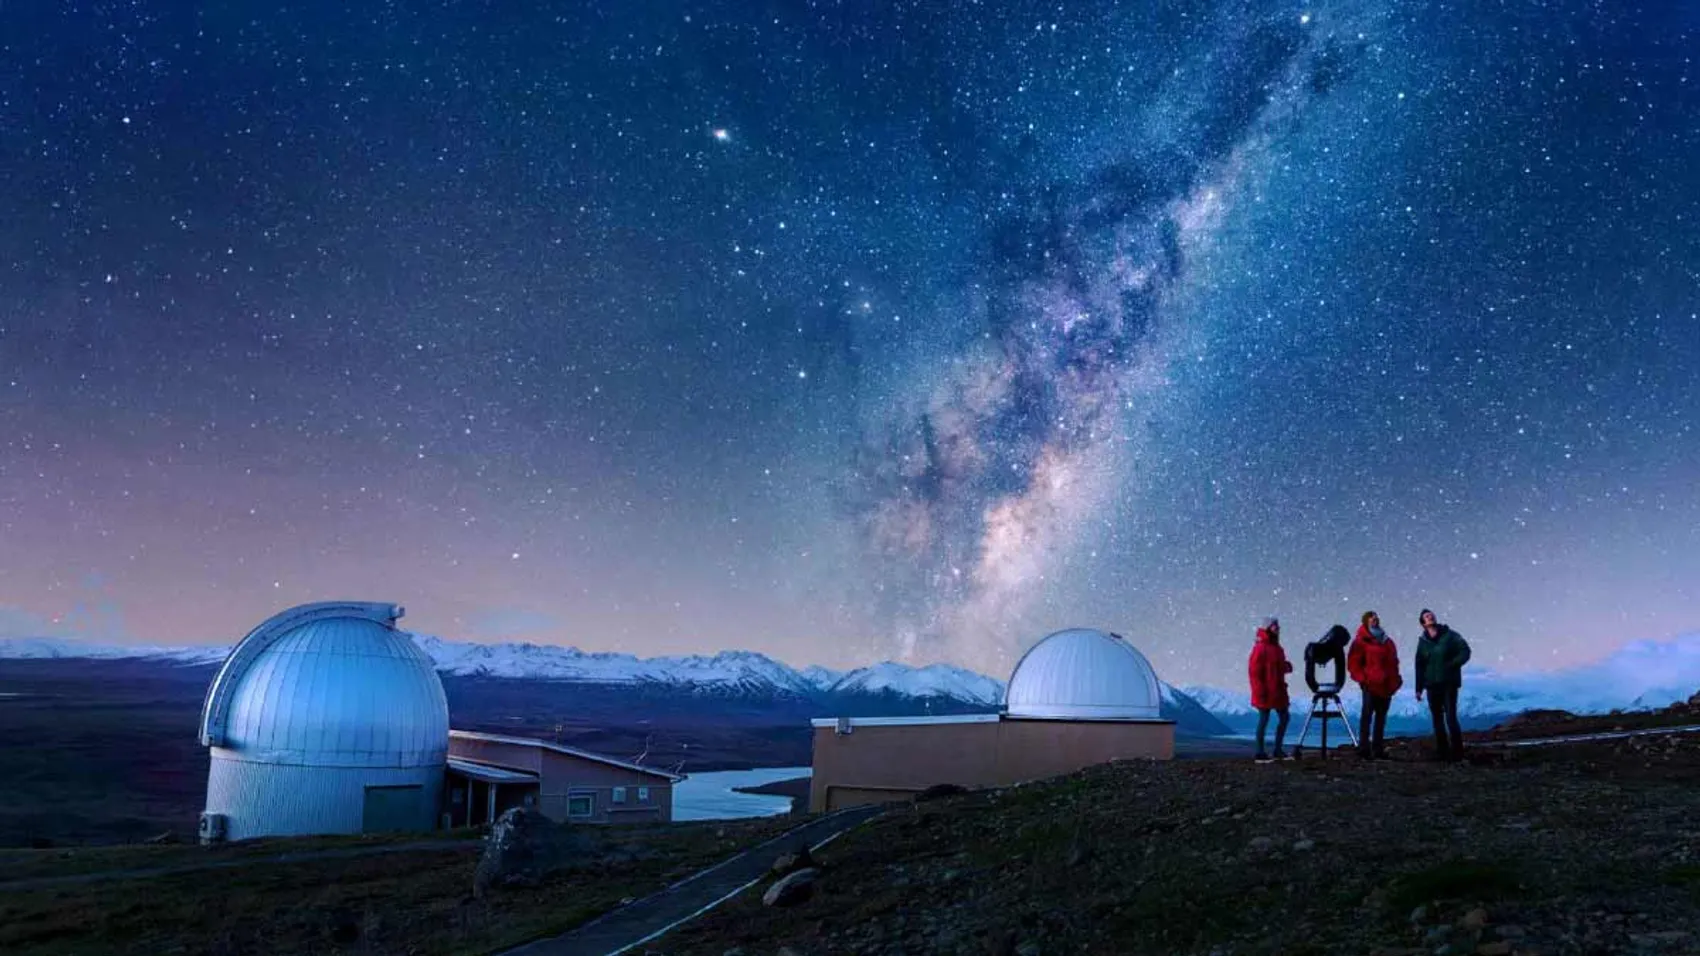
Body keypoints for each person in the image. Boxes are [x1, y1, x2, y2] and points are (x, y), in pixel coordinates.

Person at [1414, 608, 1471, 761]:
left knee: (1451, 717)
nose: (1430, 616)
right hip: (1432, 684)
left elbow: (1465, 651)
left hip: (1449, 683)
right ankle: (1443, 752)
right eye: (1426, 616)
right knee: (1437, 719)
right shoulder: (1423, 643)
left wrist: (1453, 664)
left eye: (1431, 614)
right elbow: (1419, 665)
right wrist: (1419, 688)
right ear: (1423, 623)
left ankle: (1458, 752)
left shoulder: (1450, 635)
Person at [1347, 610, 1402, 759]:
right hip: (1370, 685)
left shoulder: (1387, 642)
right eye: (1371, 618)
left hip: (1386, 686)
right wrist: (1363, 679)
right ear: (1366, 621)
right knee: (1367, 717)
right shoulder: (1360, 642)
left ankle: (1378, 749)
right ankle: (1364, 749)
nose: (1375, 619)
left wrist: (1396, 681)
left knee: (1381, 719)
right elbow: (1353, 663)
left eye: (1376, 617)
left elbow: (1393, 663)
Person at [1247, 616, 1293, 762]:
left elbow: (1275, 667)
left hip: (1278, 691)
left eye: (1278, 626)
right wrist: (1259, 691)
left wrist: (1286, 667)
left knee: (1284, 718)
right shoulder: (1260, 648)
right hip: (1266, 692)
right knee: (1264, 719)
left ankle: (1277, 750)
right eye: (1275, 626)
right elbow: (1254, 672)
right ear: (1268, 628)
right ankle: (1260, 753)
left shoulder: (1277, 648)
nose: (1278, 628)